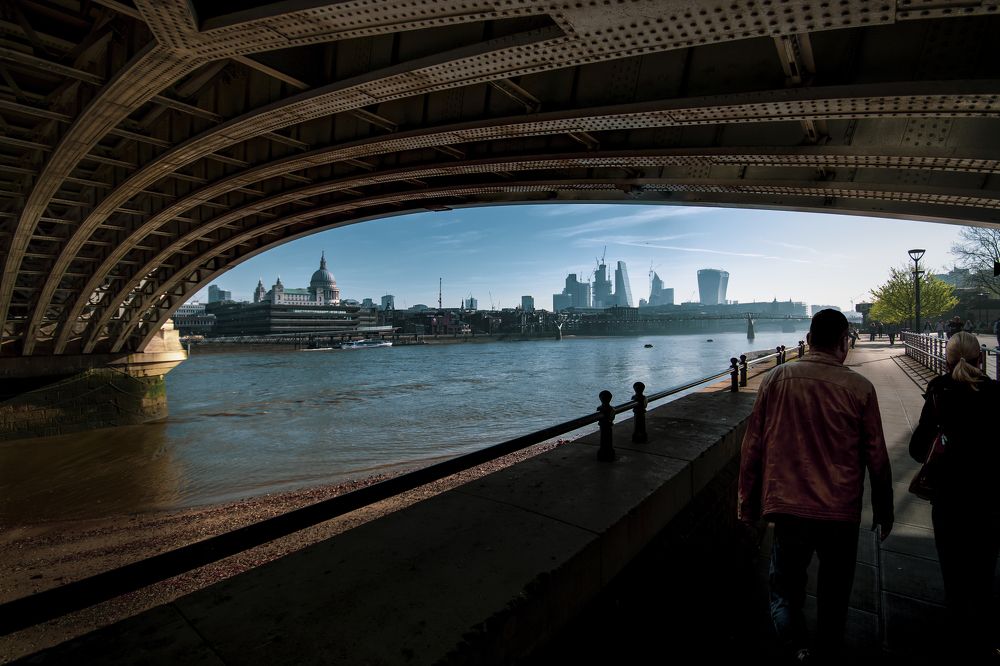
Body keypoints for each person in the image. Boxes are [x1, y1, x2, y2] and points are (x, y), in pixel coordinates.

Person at [738, 309, 894, 663]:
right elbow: (877, 456)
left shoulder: (776, 379)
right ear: (844, 343)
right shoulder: (860, 388)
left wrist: (747, 504)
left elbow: (752, 447)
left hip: (788, 508)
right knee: (835, 596)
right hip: (840, 512)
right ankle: (827, 653)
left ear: (808, 340)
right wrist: (884, 510)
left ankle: (797, 649)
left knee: (784, 593)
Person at [908, 331, 1000, 661]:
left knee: (953, 567)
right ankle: (985, 635)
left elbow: (918, 448)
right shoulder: (995, 393)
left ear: (946, 360)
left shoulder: (939, 391)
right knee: (984, 567)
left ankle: (958, 632)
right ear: (981, 358)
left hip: (949, 495)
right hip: (989, 496)